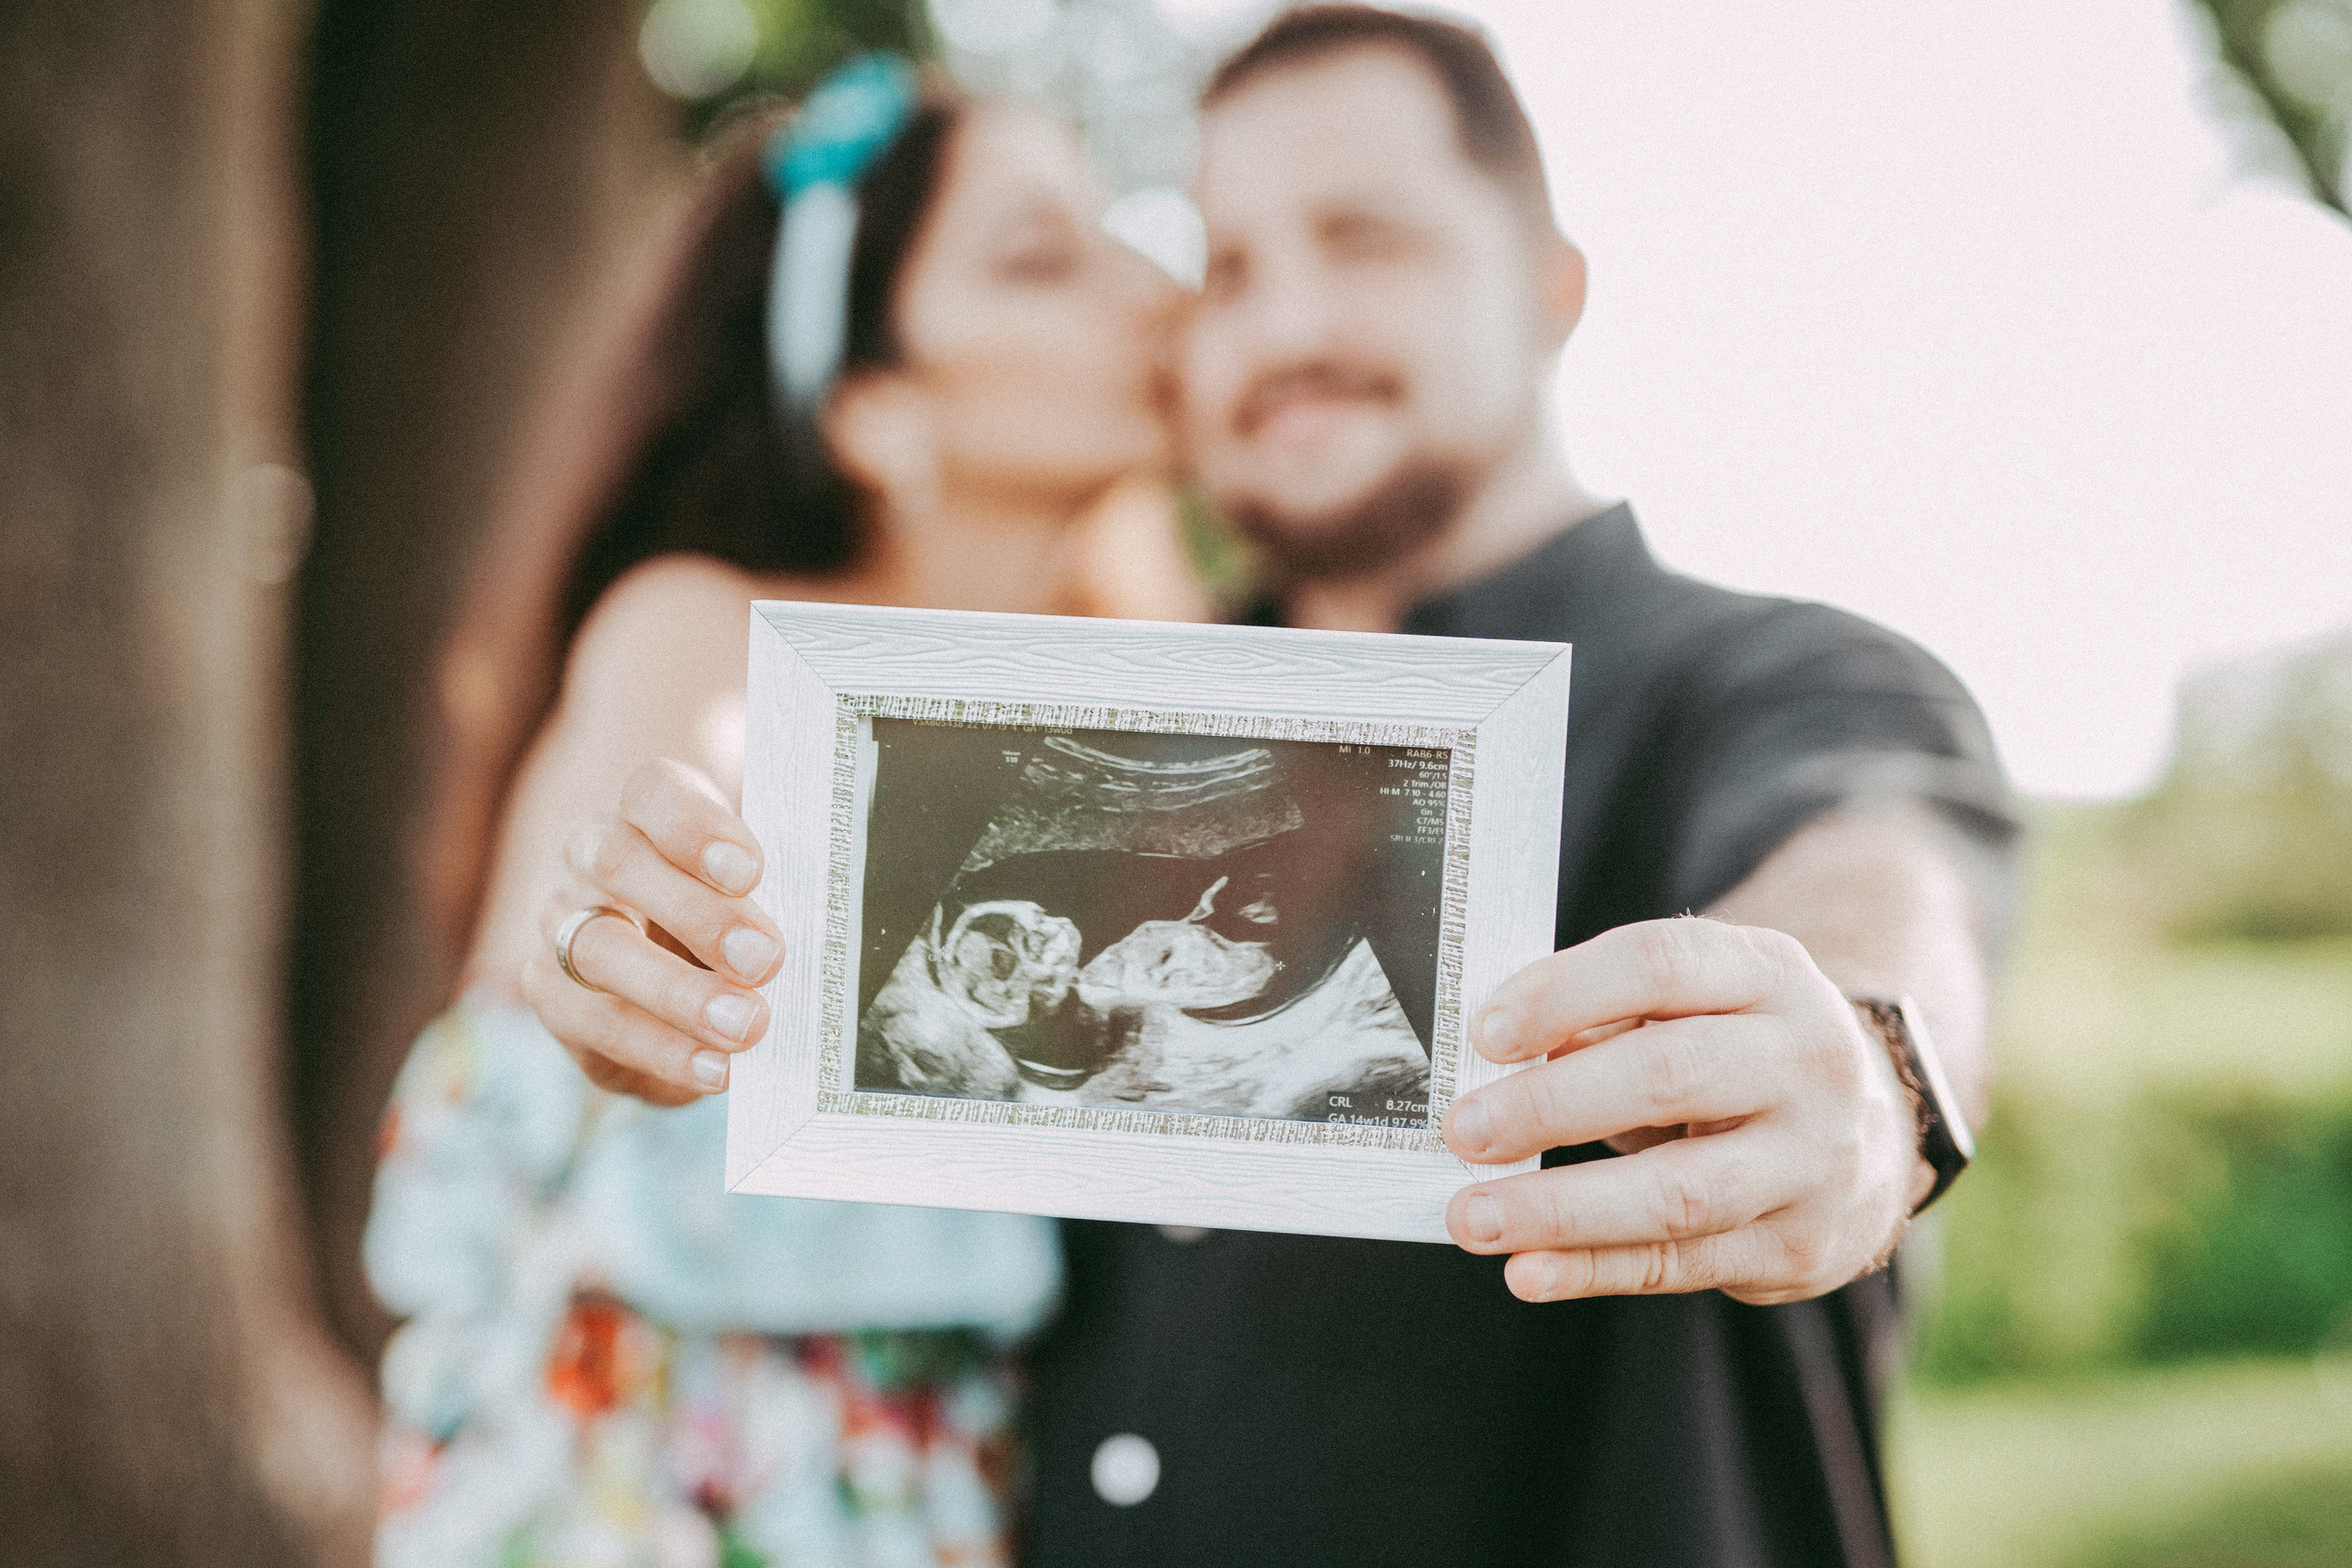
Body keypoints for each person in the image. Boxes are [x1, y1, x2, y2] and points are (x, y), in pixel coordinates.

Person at [538, 9, 2017, 1566]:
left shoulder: (1779, 687)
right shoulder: (1067, 726)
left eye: (1365, 239)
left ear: (1550, 283)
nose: (1282, 321)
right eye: (1225, 267)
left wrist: (1869, 1062)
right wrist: (663, 968)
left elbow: (1885, 872)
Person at [361, 55, 1189, 1567]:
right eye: (1039, 259)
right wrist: (642, 949)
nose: (1151, 292)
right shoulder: (697, 625)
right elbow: (679, 803)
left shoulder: (1137, 719)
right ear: (873, 405)